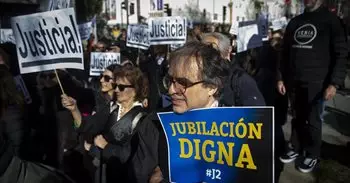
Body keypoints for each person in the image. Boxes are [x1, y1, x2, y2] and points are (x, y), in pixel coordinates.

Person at [136, 42, 230, 183]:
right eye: (170, 81)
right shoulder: (154, 124)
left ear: (211, 87)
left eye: (183, 83)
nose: (171, 91)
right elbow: (139, 175)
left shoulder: (241, 128)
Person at [277, 0, 348, 173]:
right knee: (297, 117)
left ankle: (312, 153)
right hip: (294, 82)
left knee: (314, 120)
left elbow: (341, 54)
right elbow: (284, 53)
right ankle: (295, 146)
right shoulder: (295, 22)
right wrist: (280, 78)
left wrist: (334, 83)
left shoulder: (331, 21)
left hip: (319, 83)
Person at [61, 65, 149, 182]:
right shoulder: (112, 108)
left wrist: (105, 146)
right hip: (104, 172)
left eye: (121, 87)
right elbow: (87, 125)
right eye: (115, 85)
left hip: (125, 176)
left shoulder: (142, 118)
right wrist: (74, 109)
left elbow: (131, 155)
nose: (116, 90)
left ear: (135, 90)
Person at [0, 65, 74, 183]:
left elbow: (18, 142)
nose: (48, 79)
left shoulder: (13, 111)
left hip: (23, 166)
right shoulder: (34, 94)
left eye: (52, 76)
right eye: (44, 76)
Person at [202, 32, 265, 106]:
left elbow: (257, 114)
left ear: (226, 51)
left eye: (211, 49)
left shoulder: (241, 79)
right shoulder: (198, 77)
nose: (205, 53)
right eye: (201, 48)